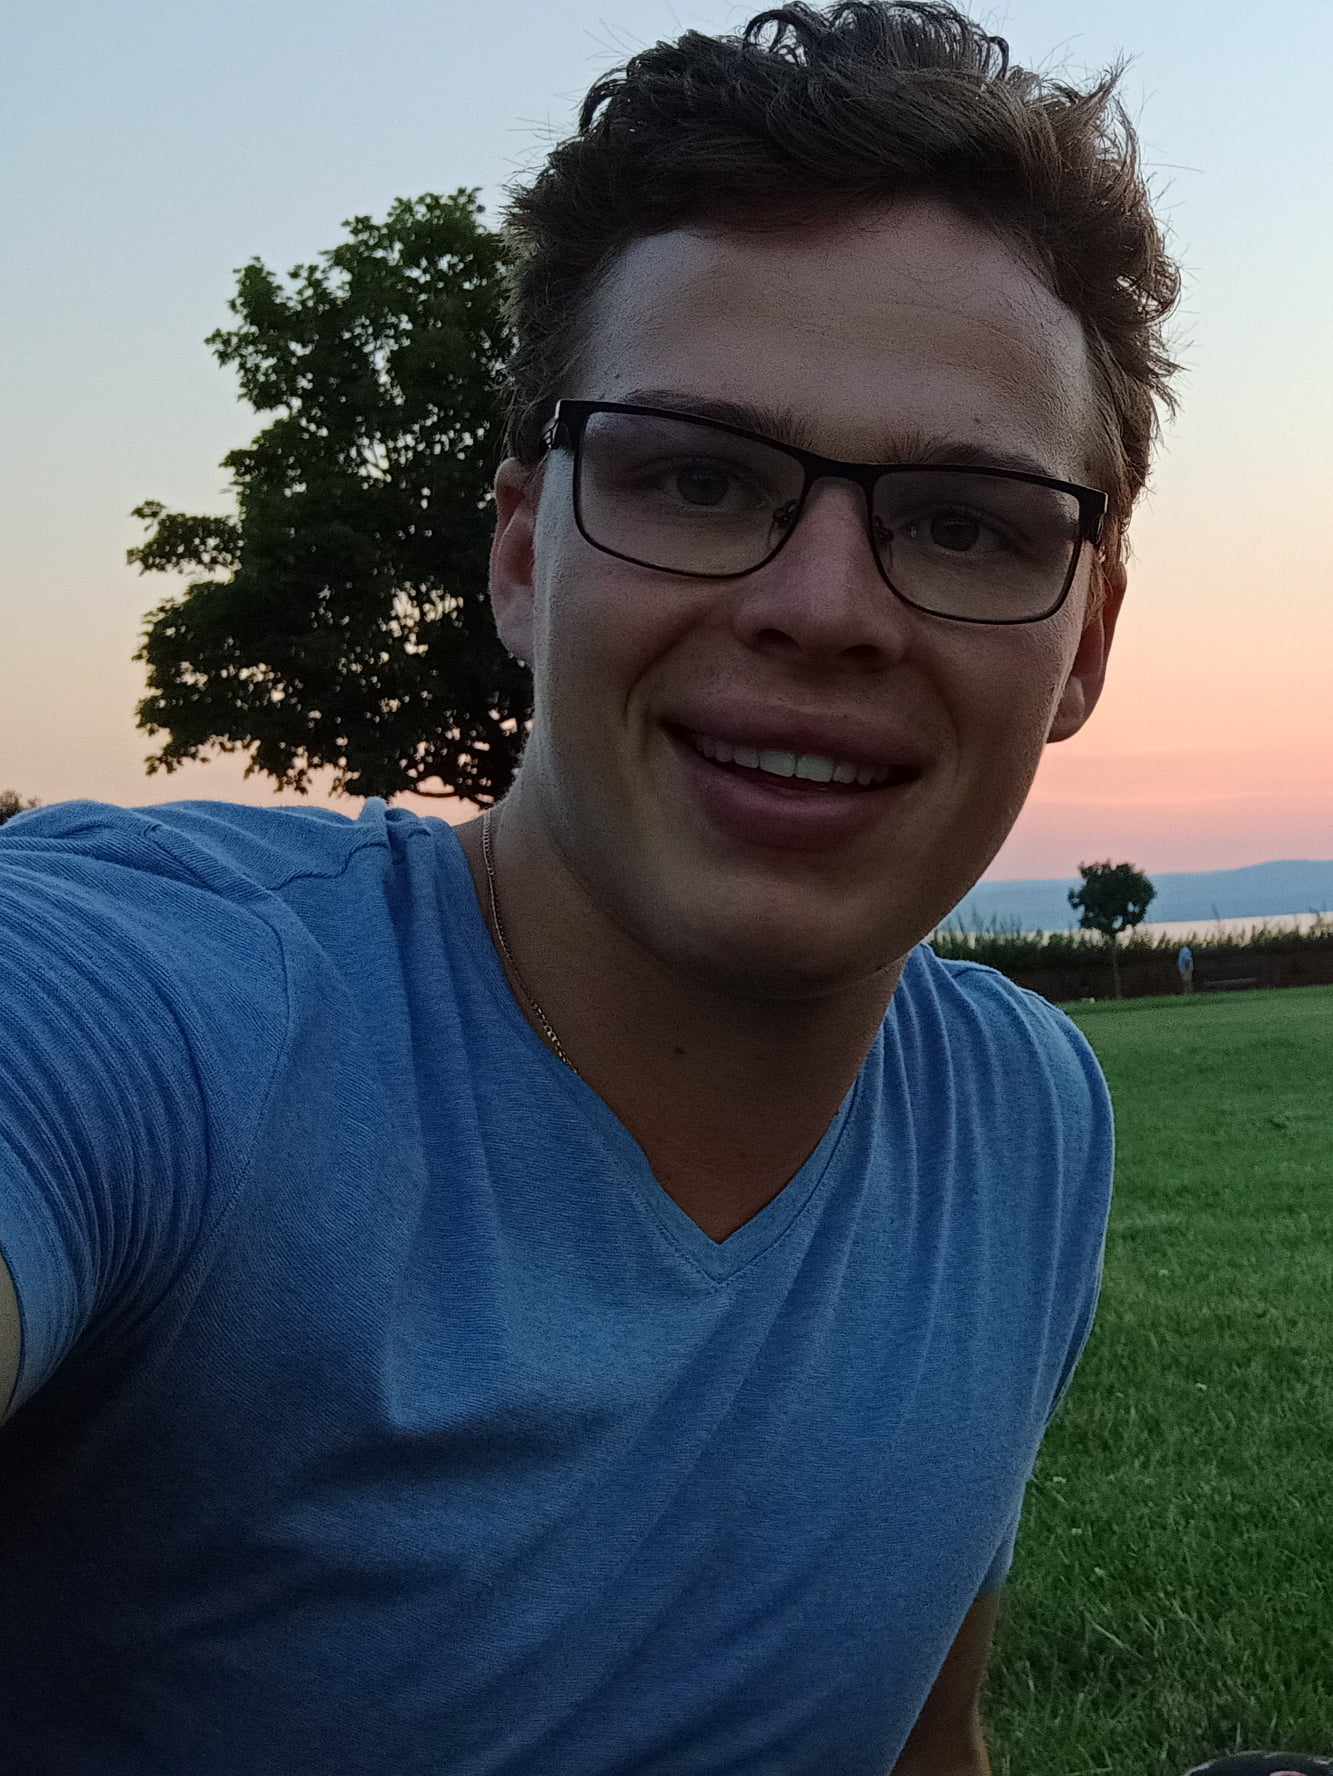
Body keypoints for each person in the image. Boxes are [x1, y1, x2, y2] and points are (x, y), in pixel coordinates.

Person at [0, 4, 1204, 1771]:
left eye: (963, 521)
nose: (822, 609)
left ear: (1083, 640)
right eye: (696, 479)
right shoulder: (152, 1012)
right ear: (519, 555)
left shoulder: (1025, 1118)